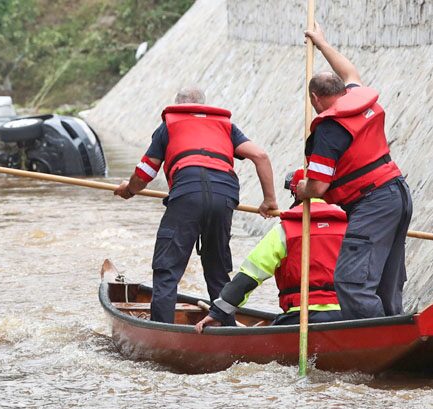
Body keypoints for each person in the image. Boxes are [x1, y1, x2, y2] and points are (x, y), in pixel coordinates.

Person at [114, 87, 278, 323]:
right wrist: (269, 200)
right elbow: (261, 156)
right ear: (203, 104)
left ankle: (162, 332)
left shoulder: (169, 126)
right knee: (218, 272)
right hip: (225, 196)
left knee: (167, 271)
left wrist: (128, 190)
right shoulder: (225, 126)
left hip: (187, 194)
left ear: (177, 104)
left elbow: (145, 173)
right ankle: (228, 331)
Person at [295, 23, 413, 319]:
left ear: (315, 100)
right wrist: (321, 43)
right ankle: (394, 337)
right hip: (397, 194)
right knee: (386, 283)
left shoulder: (329, 129)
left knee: (351, 281)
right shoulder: (356, 100)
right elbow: (350, 72)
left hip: (372, 202)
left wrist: (300, 189)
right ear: (340, 90)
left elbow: (318, 188)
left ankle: (379, 343)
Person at [195, 169, 347, 332]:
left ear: (296, 195)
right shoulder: (351, 227)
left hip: (301, 316)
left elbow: (249, 276)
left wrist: (218, 313)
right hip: (348, 316)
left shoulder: (285, 230)